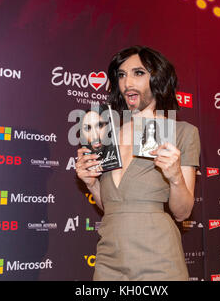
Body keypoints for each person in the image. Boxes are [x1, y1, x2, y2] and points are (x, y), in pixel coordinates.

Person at [75, 45, 200, 280]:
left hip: (158, 259)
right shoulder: (107, 135)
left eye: (138, 73)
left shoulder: (181, 132)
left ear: (158, 78)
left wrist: (175, 176)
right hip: (109, 258)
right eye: (121, 75)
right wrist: (91, 184)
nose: (127, 83)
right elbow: (112, 206)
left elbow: (183, 212)